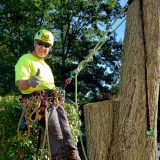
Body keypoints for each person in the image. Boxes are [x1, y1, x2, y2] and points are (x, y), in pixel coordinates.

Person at [15, 29, 81, 160]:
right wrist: (29, 81)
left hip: (53, 101)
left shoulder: (46, 65)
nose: (43, 48)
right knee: (56, 132)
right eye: (40, 43)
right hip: (38, 103)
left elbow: (49, 86)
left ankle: (74, 157)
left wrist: (57, 90)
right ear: (35, 43)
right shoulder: (25, 59)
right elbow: (20, 84)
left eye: (47, 45)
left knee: (67, 131)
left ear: (50, 48)